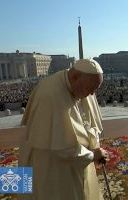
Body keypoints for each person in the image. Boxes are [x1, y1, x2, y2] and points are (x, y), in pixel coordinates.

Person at [19, 59, 108, 200]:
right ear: (75, 77)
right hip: (50, 162)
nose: (91, 95)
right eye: (90, 90)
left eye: (94, 90)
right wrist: (93, 155)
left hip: (73, 155)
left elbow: (90, 119)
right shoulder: (49, 95)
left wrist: (93, 141)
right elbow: (62, 148)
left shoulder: (79, 83)